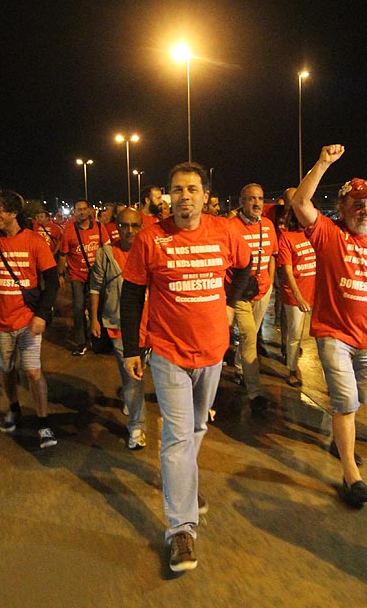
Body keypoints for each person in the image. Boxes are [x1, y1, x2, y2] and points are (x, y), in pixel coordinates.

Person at [121, 162, 251, 573]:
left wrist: (230, 304)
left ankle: (184, 485)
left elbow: (248, 268)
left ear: (206, 196)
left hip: (212, 351)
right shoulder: (150, 238)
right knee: (177, 436)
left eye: (192, 189)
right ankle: (181, 529)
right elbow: (131, 295)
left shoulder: (226, 231)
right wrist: (130, 348)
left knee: (197, 427)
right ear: (167, 197)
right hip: (167, 352)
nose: (184, 197)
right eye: (177, 190)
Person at [291, 145, 367, 508]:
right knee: (346, 402)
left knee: (359, 399)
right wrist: (322, 163)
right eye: (357, 205)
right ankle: (351, 475)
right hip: (333, 335)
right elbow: (302, 204)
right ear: (343, 210)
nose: (365, 211)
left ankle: (340, 438)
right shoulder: (330, 236)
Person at [0, 190, 60, 448]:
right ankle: (14, 409)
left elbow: (52, 282)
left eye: (1, 210)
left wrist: (42, 315)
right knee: (6, 370)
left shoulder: (35, 242)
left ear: (13, 213)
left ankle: (43, 424)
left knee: (33, 372)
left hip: (28, 321)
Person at [89, 207, 147, 449]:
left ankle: (131, 401)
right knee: (133, 379)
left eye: (135, 226)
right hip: (119, 325)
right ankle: (137, 427)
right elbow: (95, 287)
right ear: (116, 227)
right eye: (124, 225)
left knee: (142, 378)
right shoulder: (105, 254)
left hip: (152, 324)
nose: (129, 231)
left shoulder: (150, 251)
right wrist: (93, 318)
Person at [226, 183, 278, 414]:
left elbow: (272, 256)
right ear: (241, 201)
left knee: (251, 336)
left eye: (260, 198)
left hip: (262, 292)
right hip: (239, 295)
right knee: (248, 336)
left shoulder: (268, 225)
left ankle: (240, 368)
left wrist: (270, 284)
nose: (257, 203)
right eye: (251, 199)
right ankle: (255, 392)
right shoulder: (230, 227)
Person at [58, 199, 107, 356]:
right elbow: (63, 255)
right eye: (78, 209)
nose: (82, 212)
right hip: (77, 275)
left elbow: (107, 248)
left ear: (90, 211)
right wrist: (60, 274)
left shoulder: (99, 227)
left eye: (84, 209)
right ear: (74, 212)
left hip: (97, 276)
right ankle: (81, 342)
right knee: (79, 308)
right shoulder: (69, 231)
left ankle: (96, 338)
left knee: (97, 308)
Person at [276, 207, 316, 387]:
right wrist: (299, 297)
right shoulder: (287, 237)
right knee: (295, 335)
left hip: (316, 293)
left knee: (323, 337)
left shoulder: (313, 234)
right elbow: (288, 271)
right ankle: (291, 370)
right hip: (295, 296)